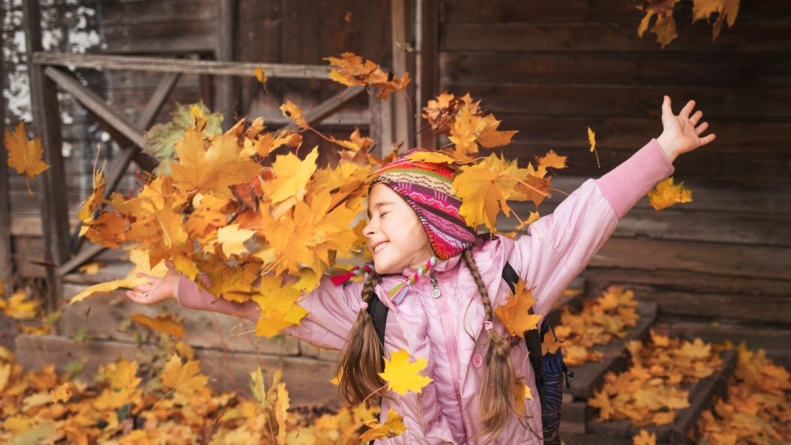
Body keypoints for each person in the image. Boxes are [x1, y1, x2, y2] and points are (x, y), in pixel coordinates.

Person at [127, 96, 714, 444]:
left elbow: (586, 214)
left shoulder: (511, 273)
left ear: (434, 218)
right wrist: (182, 287)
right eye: (367, 217)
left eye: (383, 213)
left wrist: (661, 150)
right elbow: (271, 305)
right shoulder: (369, 303)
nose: (369, 229)